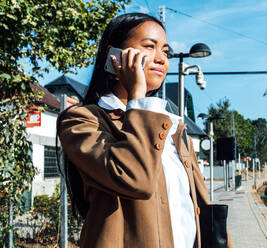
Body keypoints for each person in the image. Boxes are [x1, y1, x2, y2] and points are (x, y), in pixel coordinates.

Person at [57, 13, 232, 248]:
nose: (161, 58)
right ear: (114, 56)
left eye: (166, 51)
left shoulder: (174, 129)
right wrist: (137, 97)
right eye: (149, 46)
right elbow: (134, 179)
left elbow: (201, 202)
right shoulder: (81, 121)